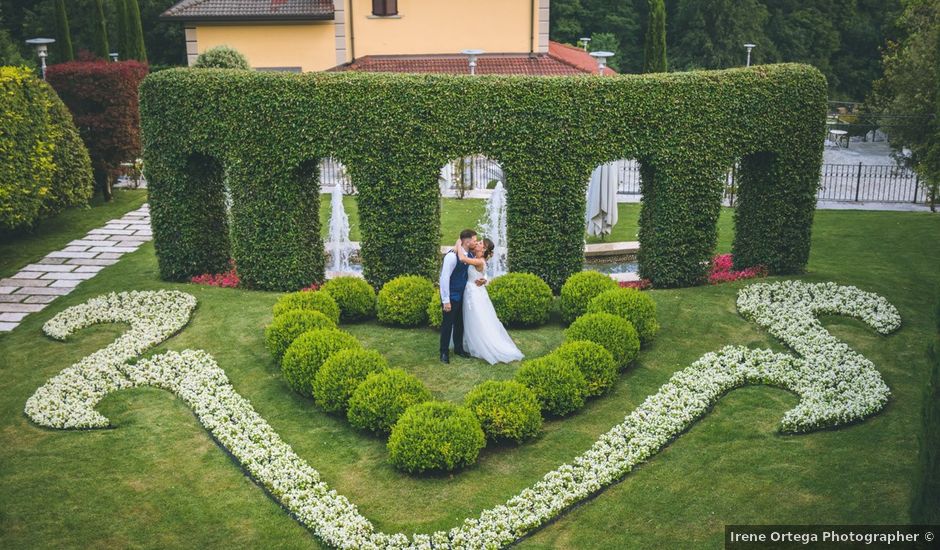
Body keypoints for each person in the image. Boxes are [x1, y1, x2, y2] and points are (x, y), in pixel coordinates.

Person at [454, 237, 524, 365]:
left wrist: (458, 243)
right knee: (475, 319)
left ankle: (482, 345)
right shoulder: (479, 259)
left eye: (480, 243)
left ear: (484, 249)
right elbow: (481, 274)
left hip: (474, 293)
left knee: (477, 319)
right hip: (474, 291)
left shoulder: (479, 261)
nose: (477, 243)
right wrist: (484, 280)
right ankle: (472, 344)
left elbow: (463, 259)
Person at [439, 229, 479, 363]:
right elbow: (444, 279)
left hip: (463, 296)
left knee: (459, 324)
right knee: (447, 325)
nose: (476, 242)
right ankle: (443, 352)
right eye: (474, 240)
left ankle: (458, 348)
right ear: (467, 242)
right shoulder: (452, 256)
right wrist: (446, 301)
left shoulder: (470, 255)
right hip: (451, 296)